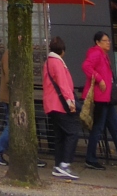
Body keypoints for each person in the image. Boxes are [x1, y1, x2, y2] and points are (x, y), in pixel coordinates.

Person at [81, 31, 117, 172]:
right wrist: (100, 79)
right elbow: (86, 66)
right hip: (100, 98)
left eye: (109, 40)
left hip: (106, 99)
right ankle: (91, 158)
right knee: (99, 129)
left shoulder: (103, 55)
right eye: (105, 40)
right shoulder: (96, 53)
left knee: (115, 129)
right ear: (98, 42)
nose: (108, 42)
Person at [44, 36, 80, 181]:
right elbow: (63, 84)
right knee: (72, 132)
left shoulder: (48, 62)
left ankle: (58, 164)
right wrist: (70, 102)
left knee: (59, 135)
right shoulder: (58, 63)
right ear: (62, 51)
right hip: (59, 104)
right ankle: (64, 164)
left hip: (51, 104)